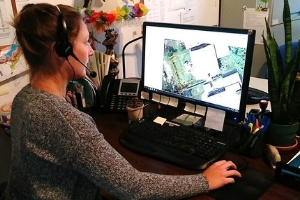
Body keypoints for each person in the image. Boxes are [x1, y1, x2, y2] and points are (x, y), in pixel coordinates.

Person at [1, 3, 241, 200]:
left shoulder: (24, 99)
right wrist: (204, 180)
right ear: (61, 50)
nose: (92, 51)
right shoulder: (71, 124)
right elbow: (133, 187)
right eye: (86, 42)